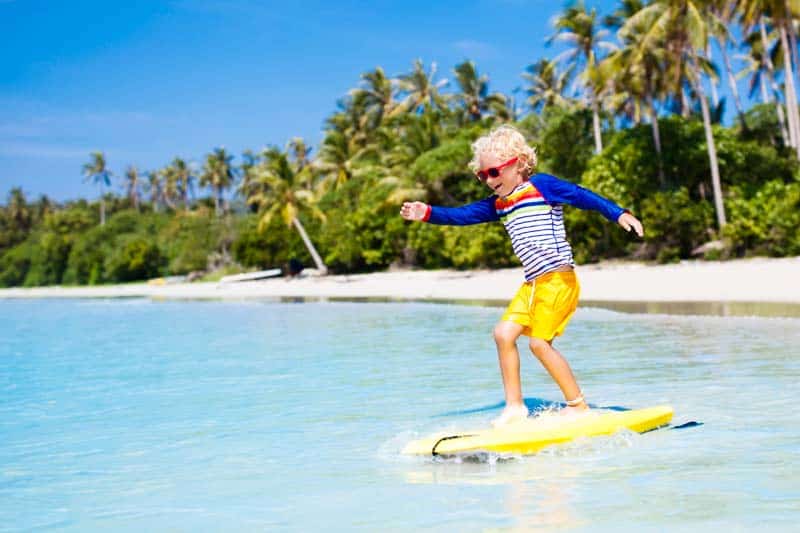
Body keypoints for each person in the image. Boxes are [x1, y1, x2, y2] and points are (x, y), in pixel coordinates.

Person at [400, 125, 644, 426]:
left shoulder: (541, 186)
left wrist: (619, 213)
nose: (488, 180)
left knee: (539, 344)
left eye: (494, 172)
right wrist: (427, 213)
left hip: (558, 280)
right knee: (503, 334)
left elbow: (582, 196)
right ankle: (515, 407)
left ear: (517, 163)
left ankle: (578, 405)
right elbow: (461, 216)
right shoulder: (499, 205)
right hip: (532, 284)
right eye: (482, 175)